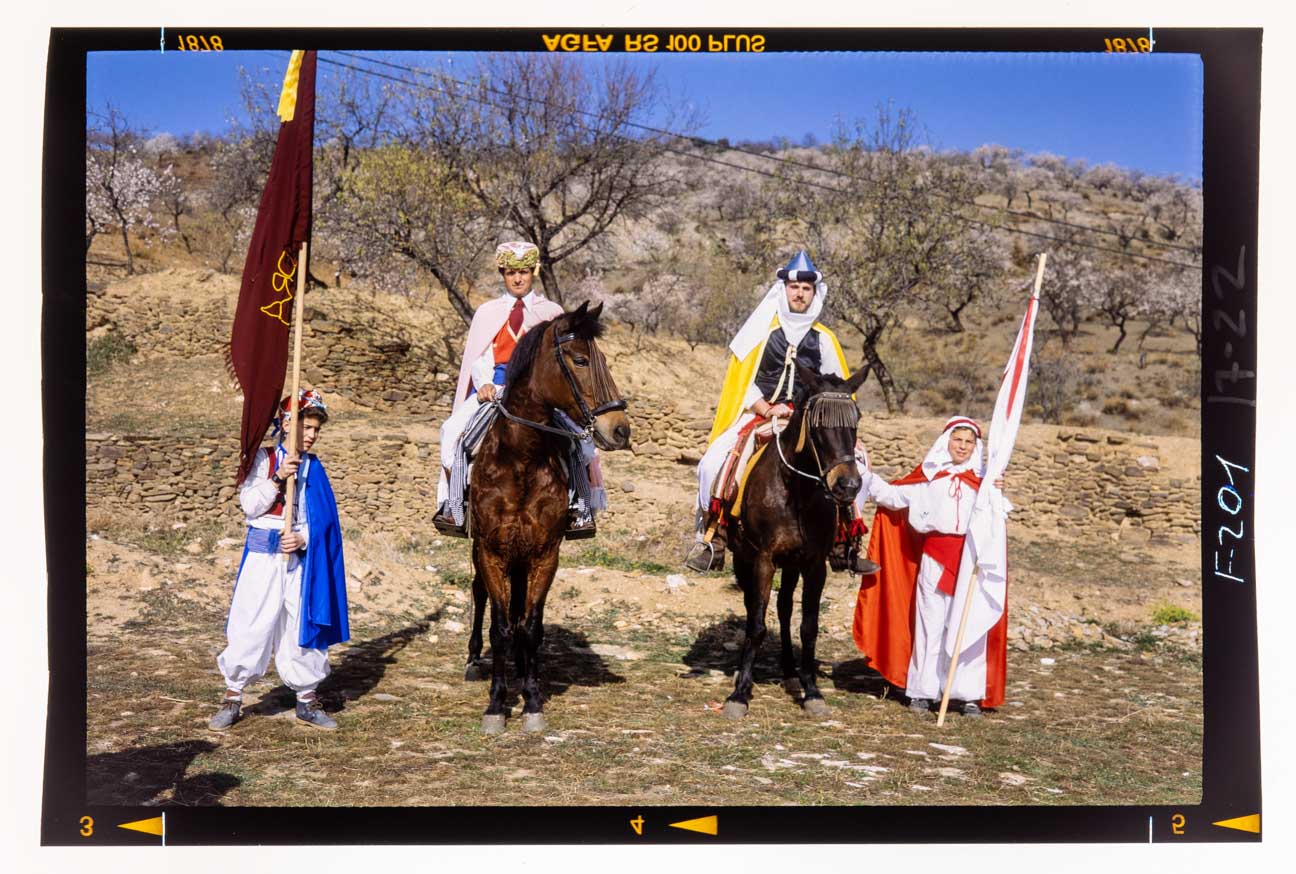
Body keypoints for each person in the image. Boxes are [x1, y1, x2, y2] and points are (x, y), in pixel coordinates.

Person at [684, 250, 875, 575]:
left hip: (810, 421)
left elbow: (837, 387)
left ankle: (845, 544)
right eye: (794, 287)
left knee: (861, 469)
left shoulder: (824, 340)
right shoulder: (760, 333)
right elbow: (743, 382)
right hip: (761, 414)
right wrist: (765, 407)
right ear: (784, 290)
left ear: (814, 293)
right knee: (713, 462)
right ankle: (712, 538)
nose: (800, 293)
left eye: (806, 289)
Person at [850, 417, 1009, 717]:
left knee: (968, 625)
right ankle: (923, 690)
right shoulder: (928, 478)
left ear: (976, 447)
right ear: (947, 441)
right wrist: (862, 470)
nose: (962, 446)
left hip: (970, 562)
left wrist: (997, 487)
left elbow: (997, 517)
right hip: (934, 558)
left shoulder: (985, 482)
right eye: (957, 440)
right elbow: (892, 497)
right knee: (929, 623)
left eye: (968, 442)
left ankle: (967, 694)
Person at [209, 390, 349, 731]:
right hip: (262, 559)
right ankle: (233, 696)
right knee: (252, 624)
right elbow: (250, 505)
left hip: (297, 561)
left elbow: (326, 521)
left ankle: (306, 698)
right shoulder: (264, 459)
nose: (313, 435)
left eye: (317, 429)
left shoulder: (314, 468)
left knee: (301, 628)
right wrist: (277, 478)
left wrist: (303, 538)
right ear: (288, 423)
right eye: (307, 427)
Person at [433, 241, 584, 535]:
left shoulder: (551, 311)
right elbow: (480, 357)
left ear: (534, 272)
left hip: (541, 395)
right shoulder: (487, 312)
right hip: (497, 390)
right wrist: (485, 383)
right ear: (502, 273)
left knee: (580, 440)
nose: (518, 279)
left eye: (524, 272)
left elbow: (559, 360)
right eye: (511, 272)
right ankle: (455, 505)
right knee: (452, 432)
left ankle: (580, 508)